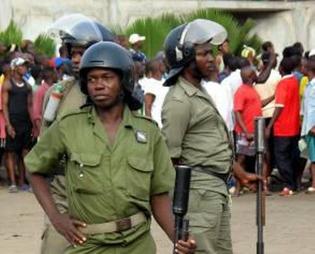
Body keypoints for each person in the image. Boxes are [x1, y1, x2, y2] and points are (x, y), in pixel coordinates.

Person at [25, 41, 196, 254]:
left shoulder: (149, 132)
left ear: (123, 81)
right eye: (92, 79)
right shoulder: (68, 126)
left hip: (137, 244)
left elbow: (158, 196)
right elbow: (33, 168)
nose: (98, 85)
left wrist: (178, 239)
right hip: (88, 244)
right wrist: (57, 219)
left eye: (107, 78)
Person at [162, 19, 262, 254]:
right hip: (197, 195)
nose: (212, 58)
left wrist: (241, 174)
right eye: (203, 54)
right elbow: (169, 162)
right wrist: (177, 219)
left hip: (215, 191)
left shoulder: (199, 91)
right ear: (185, 58)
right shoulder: (179, 100)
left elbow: (212, 145)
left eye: (212, 53)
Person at [39, 14, 115, 254]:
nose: (75, 59)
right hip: (64, 196)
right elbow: (42, 151)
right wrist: (55, 214)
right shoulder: (57, 93)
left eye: (82, 53)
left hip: (104, 199)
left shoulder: (116, 95)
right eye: (72, 53)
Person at [233, 66, 273, 196]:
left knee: (264, 158)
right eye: (255, 73)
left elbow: (258, 104)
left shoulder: (252, 90)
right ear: (250, 76)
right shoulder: (241, 91)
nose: (257, 75)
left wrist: (273, 97)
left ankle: (263, 187)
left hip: (257, 130)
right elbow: (237, 112)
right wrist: (245, 132)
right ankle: (238, 188)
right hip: (246, 132)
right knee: (242, 159)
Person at [266, 57, 301, 196]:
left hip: (283, 128)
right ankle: (294, 183)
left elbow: (279, 106)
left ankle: (288, 185)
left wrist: (270, 126)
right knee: (292, 156)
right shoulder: (294, 81)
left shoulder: (283, 83)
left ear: (281, 68)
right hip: (294, 125)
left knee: (281, 157)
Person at [2, 56, 34, 193]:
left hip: (25, 122)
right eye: (22, 66)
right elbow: (4, 105)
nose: (25, 68)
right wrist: (8, 124)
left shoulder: (27, 85)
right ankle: (13, 183)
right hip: (13, 121)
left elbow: (30, 106)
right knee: (11, 153)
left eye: (26, 66)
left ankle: (23, 181)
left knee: (24, 152)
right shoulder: (8, 84)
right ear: (15, 68)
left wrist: (33, 124)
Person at [301, 55, 315, 193]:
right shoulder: (307, 85)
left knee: (314, 158)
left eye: (304, 66)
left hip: (313, 127)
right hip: (307, 127)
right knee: (311, 156)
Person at [32, 67, 58, 138]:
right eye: (56, 73)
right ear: (51, 76)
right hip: (44, 129)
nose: (57, 75)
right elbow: (36, 114)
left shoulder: (56, 88)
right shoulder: (41, 91)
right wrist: (41, 132)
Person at [144, 59, 169, 128]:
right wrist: (151, 127)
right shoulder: (151, 83)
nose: (164, 65)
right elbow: (147, 107)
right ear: (156, 67)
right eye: (161, 64)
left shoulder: (164, 82)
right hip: (157, 125)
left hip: (166, 124)